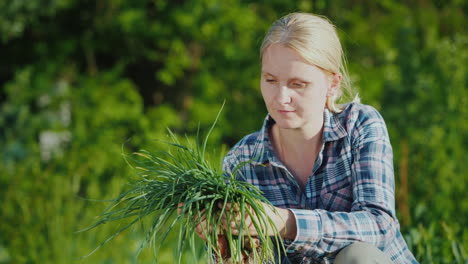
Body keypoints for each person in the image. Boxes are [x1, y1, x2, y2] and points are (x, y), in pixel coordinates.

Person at [196, 12, 418, 263]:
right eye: (270, 80)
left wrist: (284, 222)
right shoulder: (242, 160)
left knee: (358, 255)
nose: (280, 97)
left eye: (298, 84)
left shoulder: (360, 125)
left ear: (332, 84)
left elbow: (379, 227)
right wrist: (224, 239)